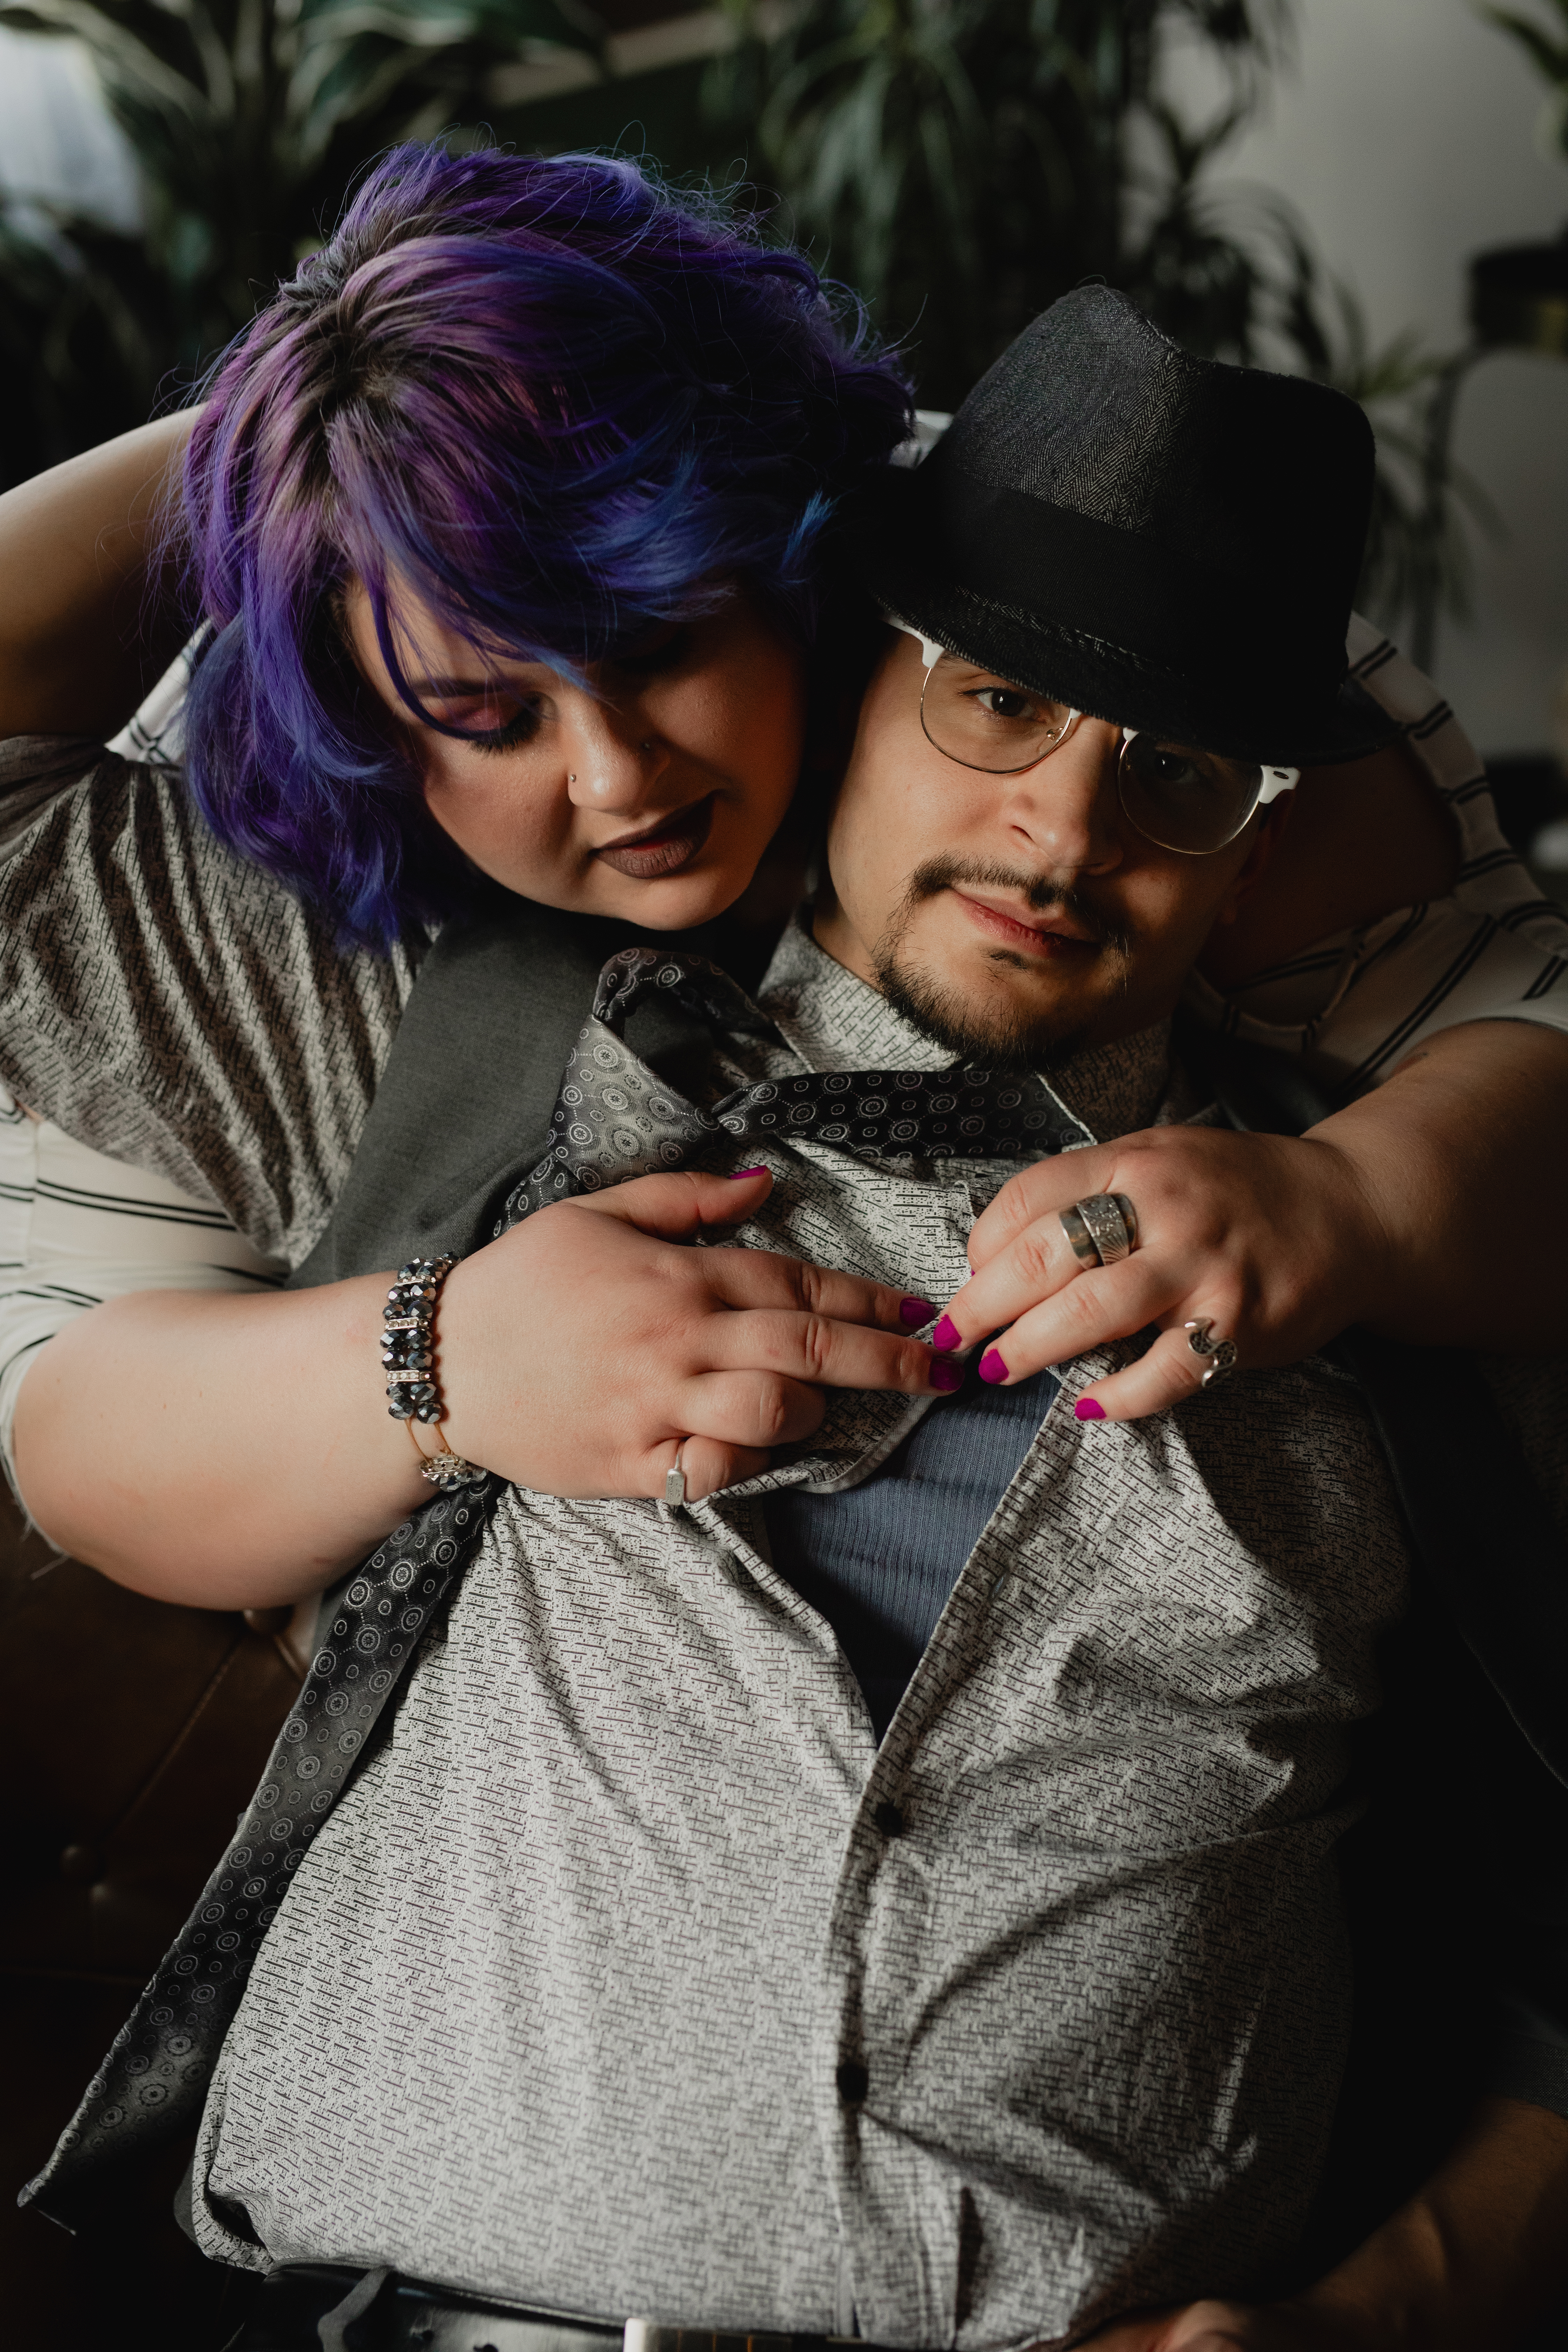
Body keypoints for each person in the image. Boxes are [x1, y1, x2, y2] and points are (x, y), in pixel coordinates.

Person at [18, 280, 1568, 2346]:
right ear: (849, 666)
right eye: (994, 701)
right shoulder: (463, 1039)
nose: (1065, 829)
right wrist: (314, 422)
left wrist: (1393, 2311)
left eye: (1179, 771)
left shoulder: (1383, 1247)